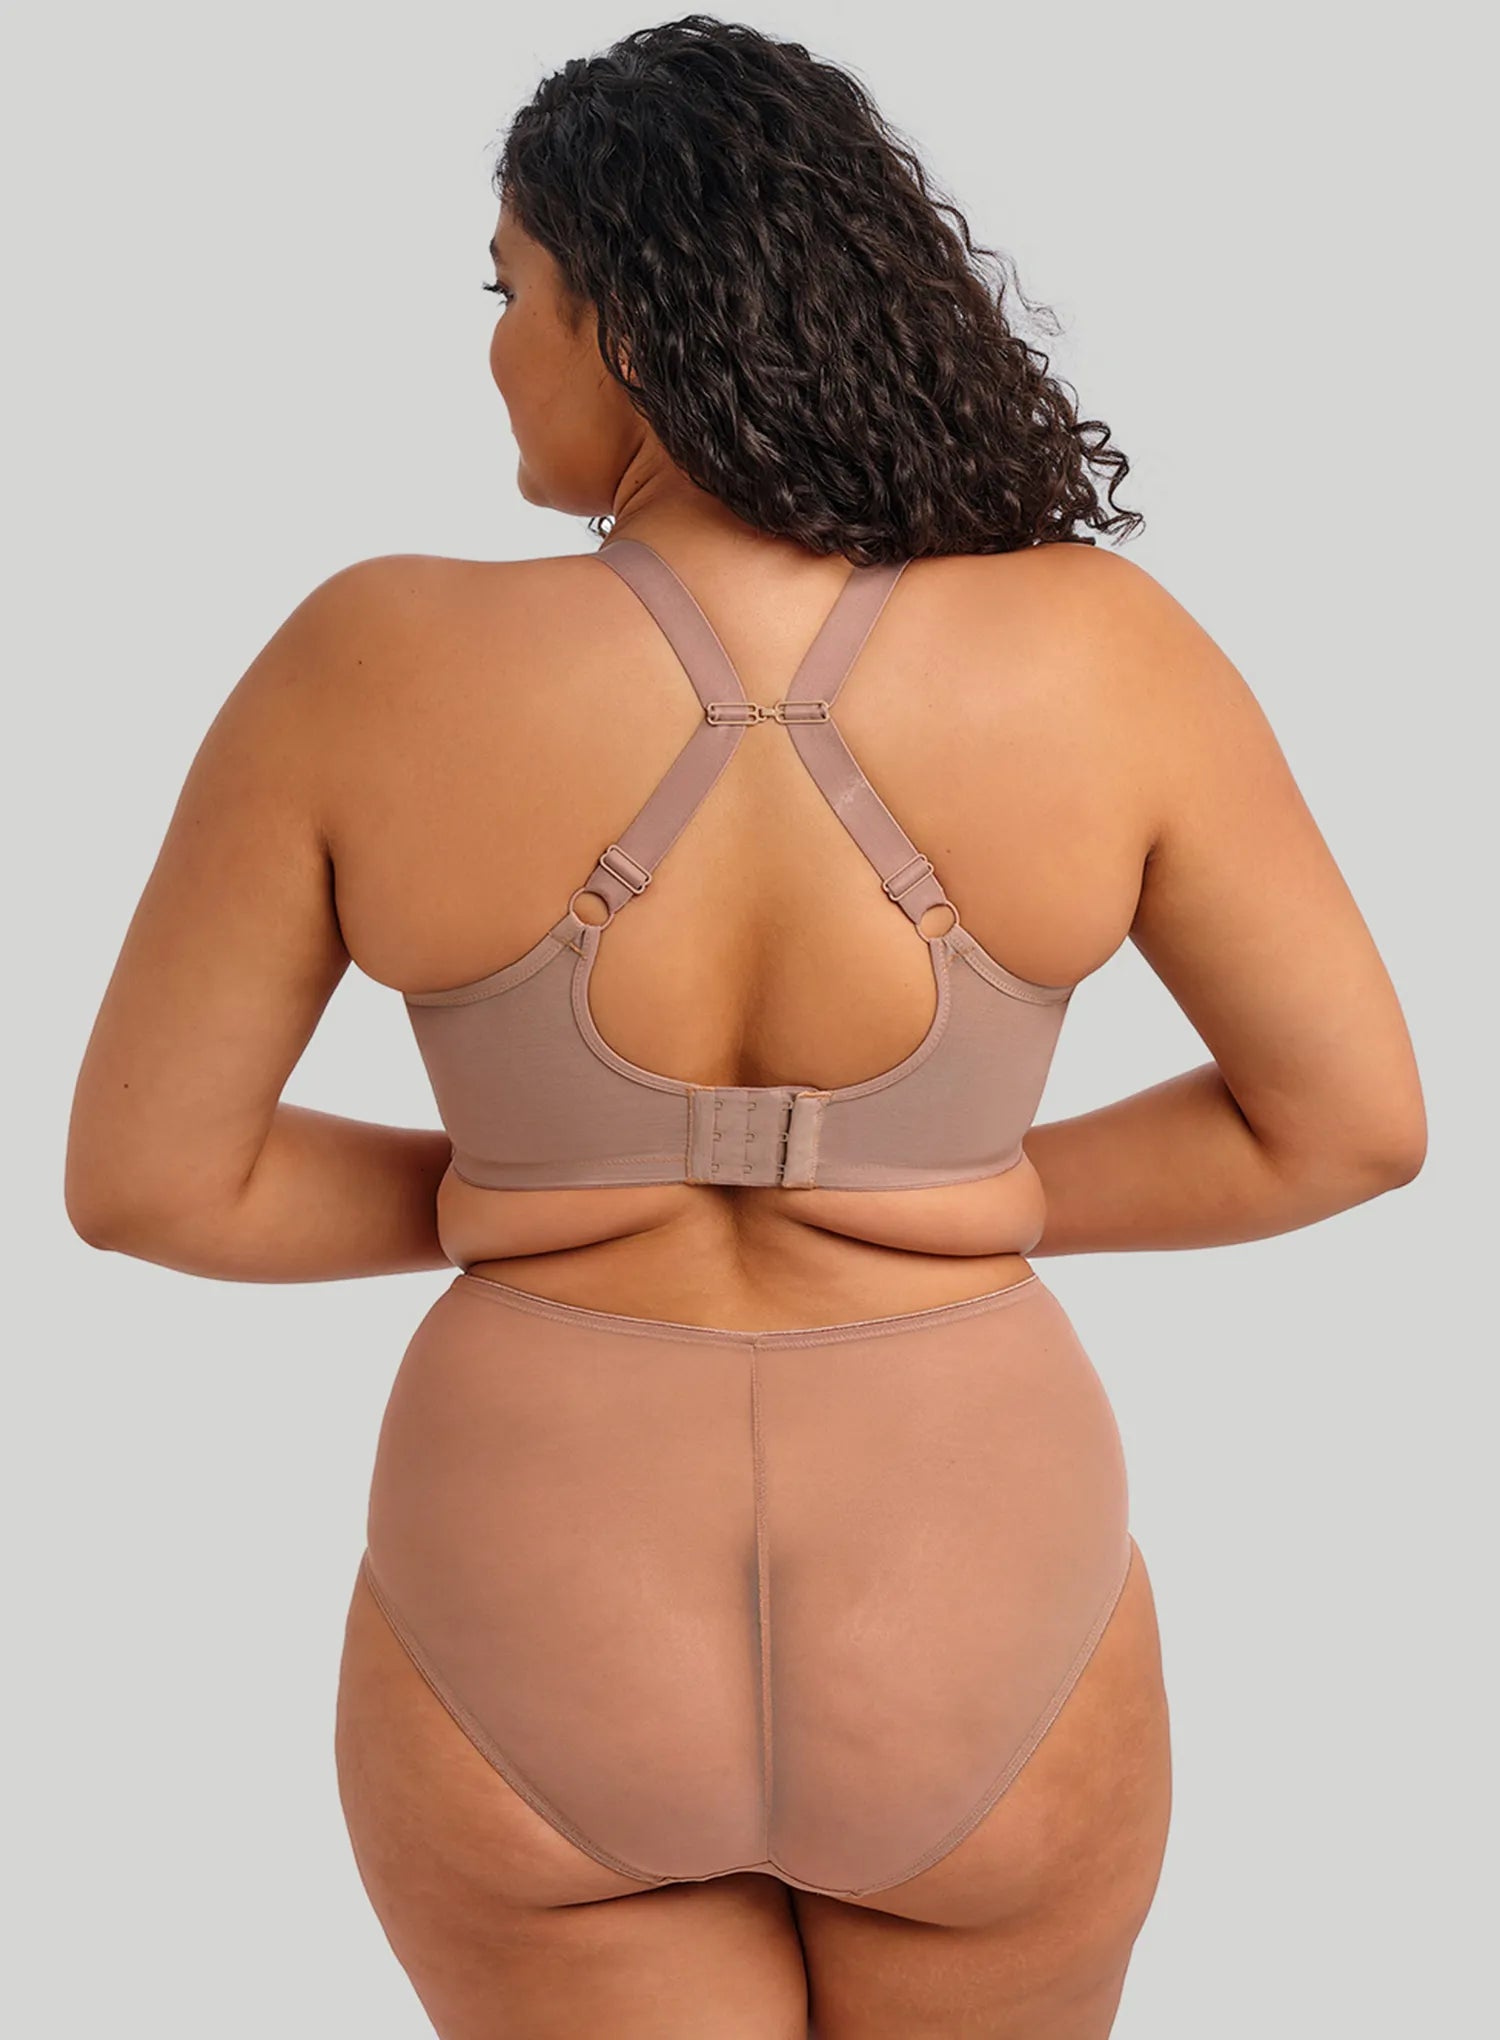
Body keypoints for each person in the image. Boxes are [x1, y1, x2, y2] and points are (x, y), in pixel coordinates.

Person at [64, 16, 1426, 2037]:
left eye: (507, 291)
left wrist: (544, 1190)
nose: (495, 348)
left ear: (623, 313)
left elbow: (155, 1182)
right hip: (976, 1589)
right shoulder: (1100, 651)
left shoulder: (371, 657)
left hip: (534, 1596)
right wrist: (961, 1189)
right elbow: (1351, 1126)